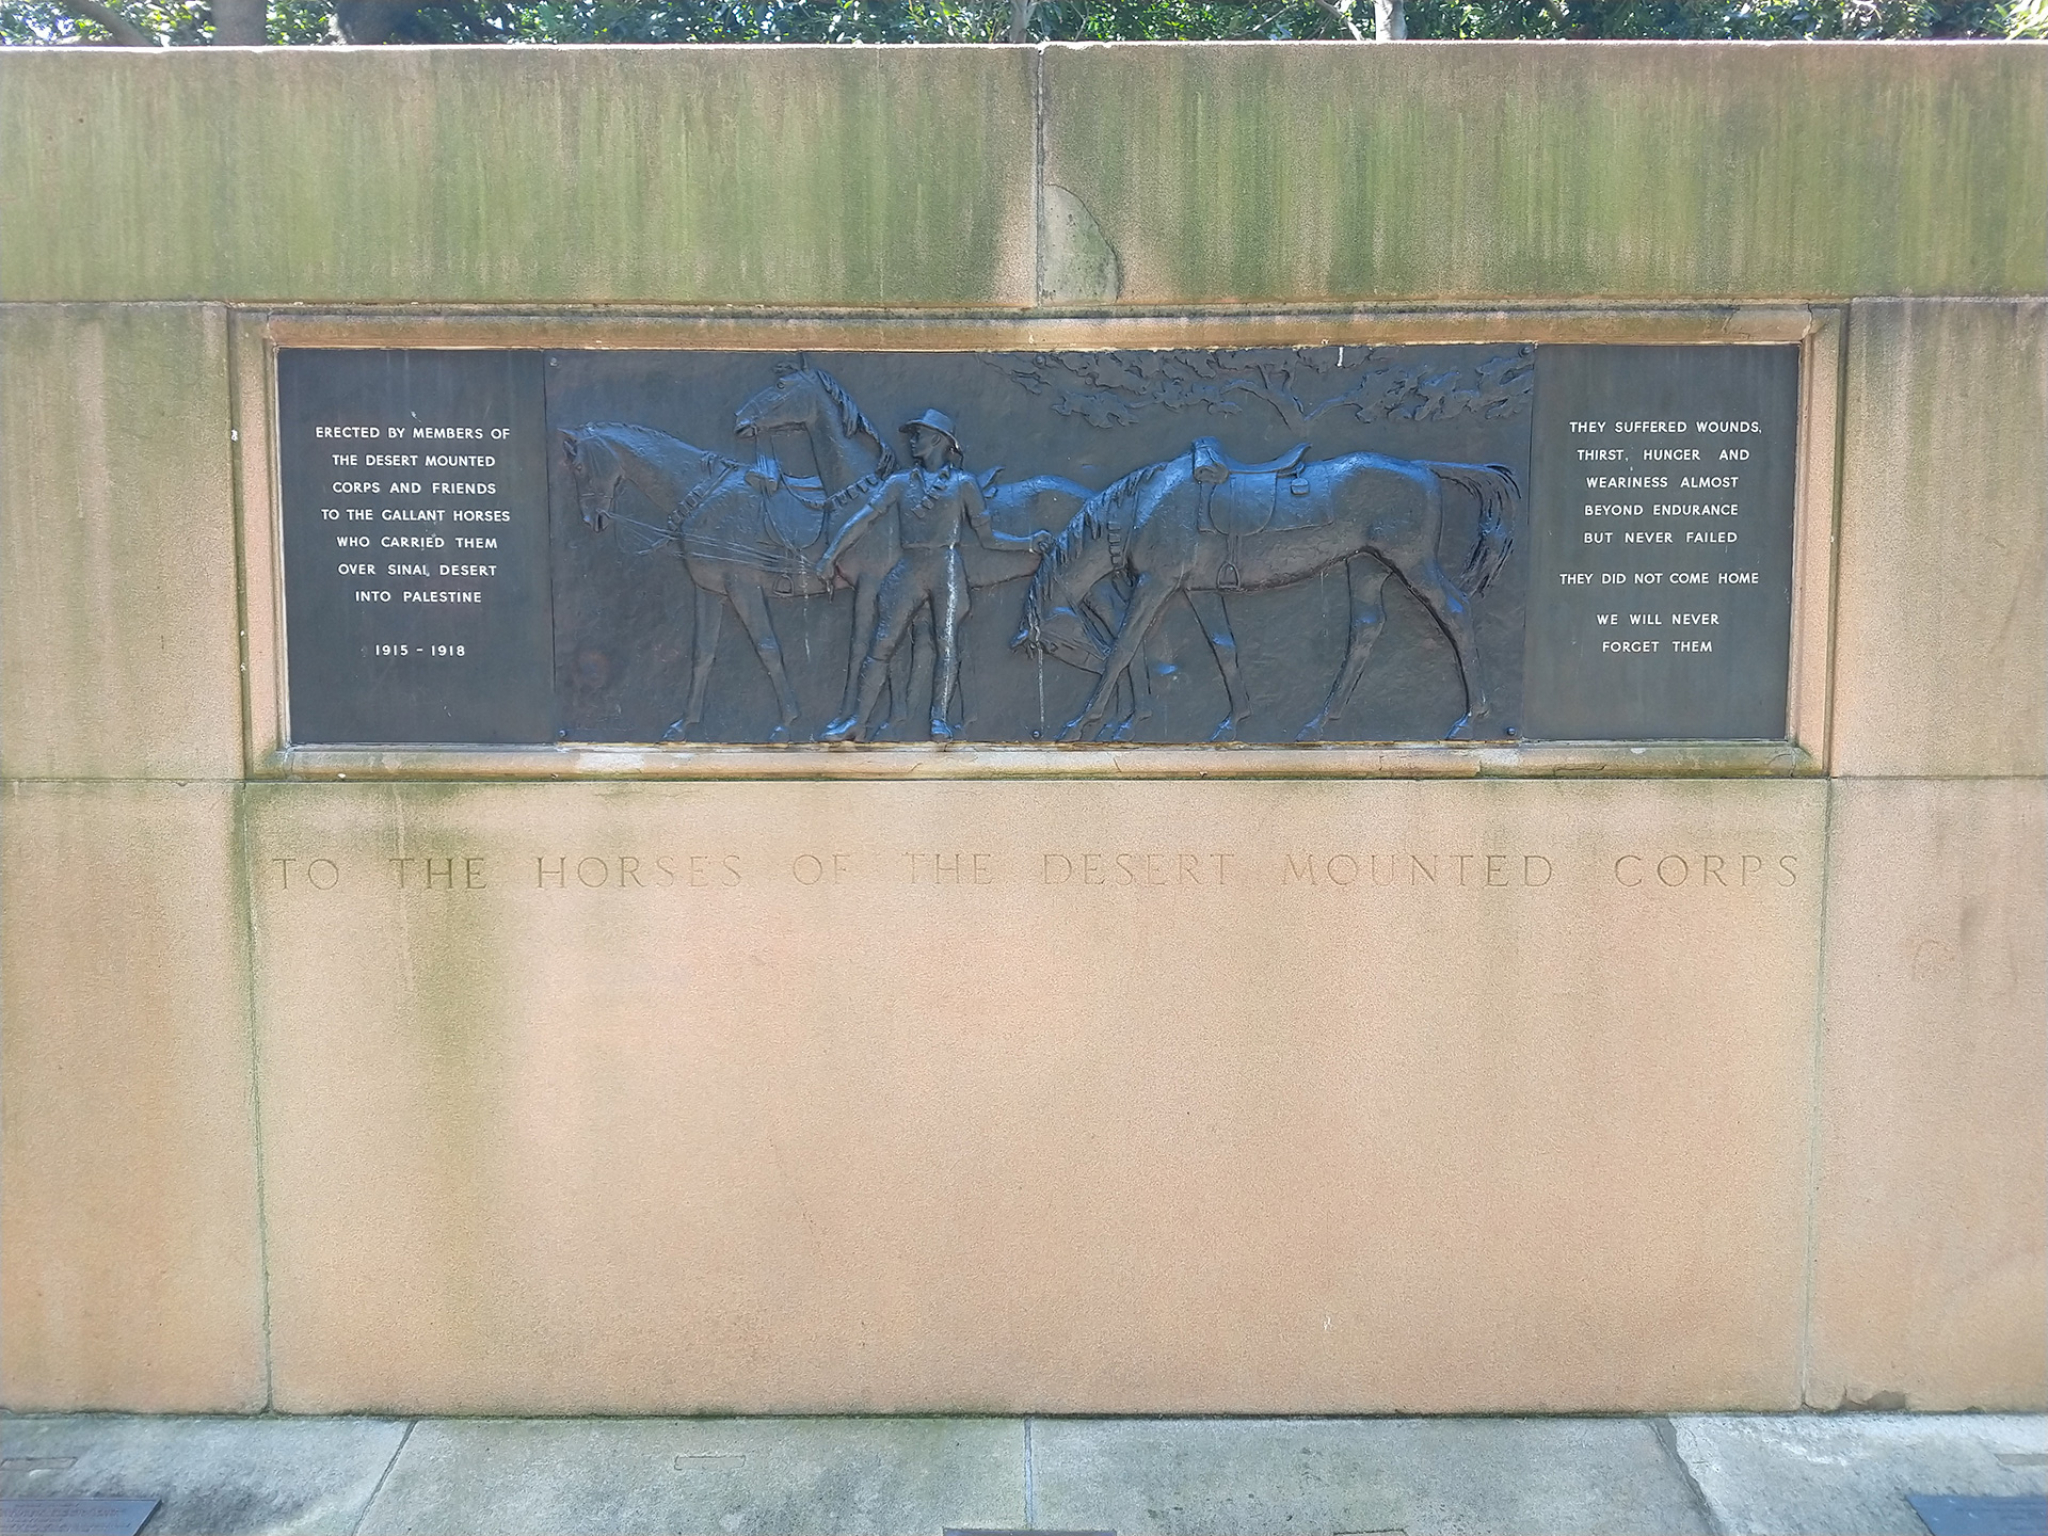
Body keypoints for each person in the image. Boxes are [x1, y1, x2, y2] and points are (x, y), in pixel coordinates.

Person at [818, 410, 1048, 742]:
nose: (912, 441)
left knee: (946, 643)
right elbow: (863, 519)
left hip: (946, 568)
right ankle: (858, 722)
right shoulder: (899, 483)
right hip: (909, 567)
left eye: (919, 435)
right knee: (882, 643)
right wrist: (830, 555)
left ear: (939, 440)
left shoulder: (963, 484)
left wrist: (1027, 543)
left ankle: (939, 720)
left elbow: (988, 538)